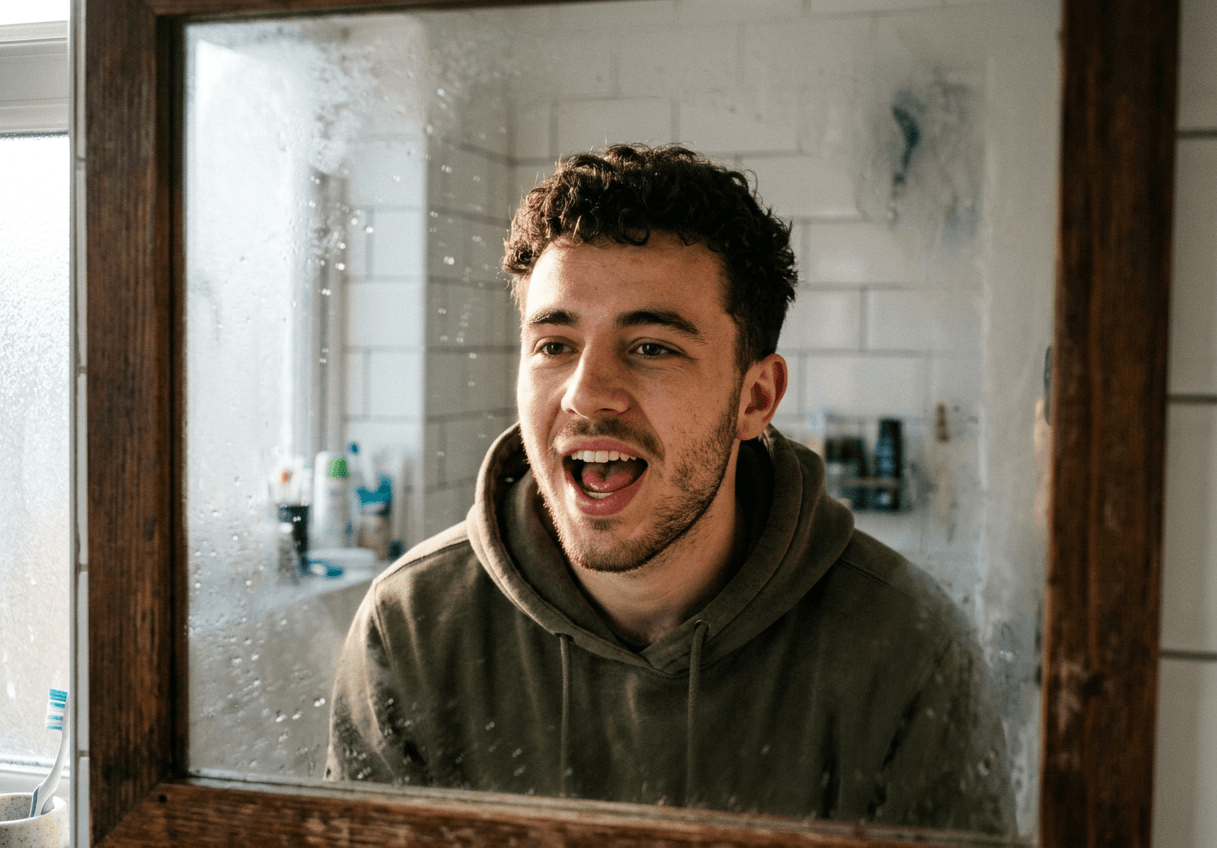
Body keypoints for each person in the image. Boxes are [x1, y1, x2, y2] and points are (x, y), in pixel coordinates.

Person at [326, 144, 1015, 833]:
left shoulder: (905, 650)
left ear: (755, 398)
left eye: (652, 347)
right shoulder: (413, 628)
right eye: (554, 345)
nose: (587, 394)